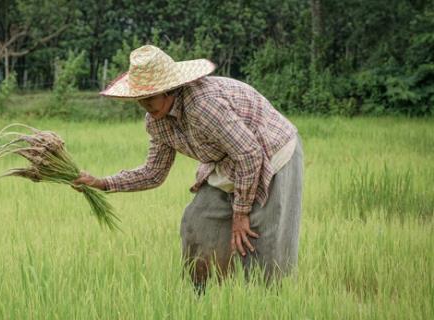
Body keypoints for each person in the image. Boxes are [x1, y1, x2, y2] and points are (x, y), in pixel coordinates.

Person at [74, 45, 304, 293]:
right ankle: (202, 298)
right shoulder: (157, 123)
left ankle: (263, 301)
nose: (145, 104)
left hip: (272, 153)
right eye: (140, 97)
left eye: (150, 96)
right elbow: (153, 173)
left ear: (169, 90)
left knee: (258, 237)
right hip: (227, 160)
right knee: (197, 223)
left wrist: (240, 213)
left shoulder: (203, 106)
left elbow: (249, 153)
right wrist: (102, 183)